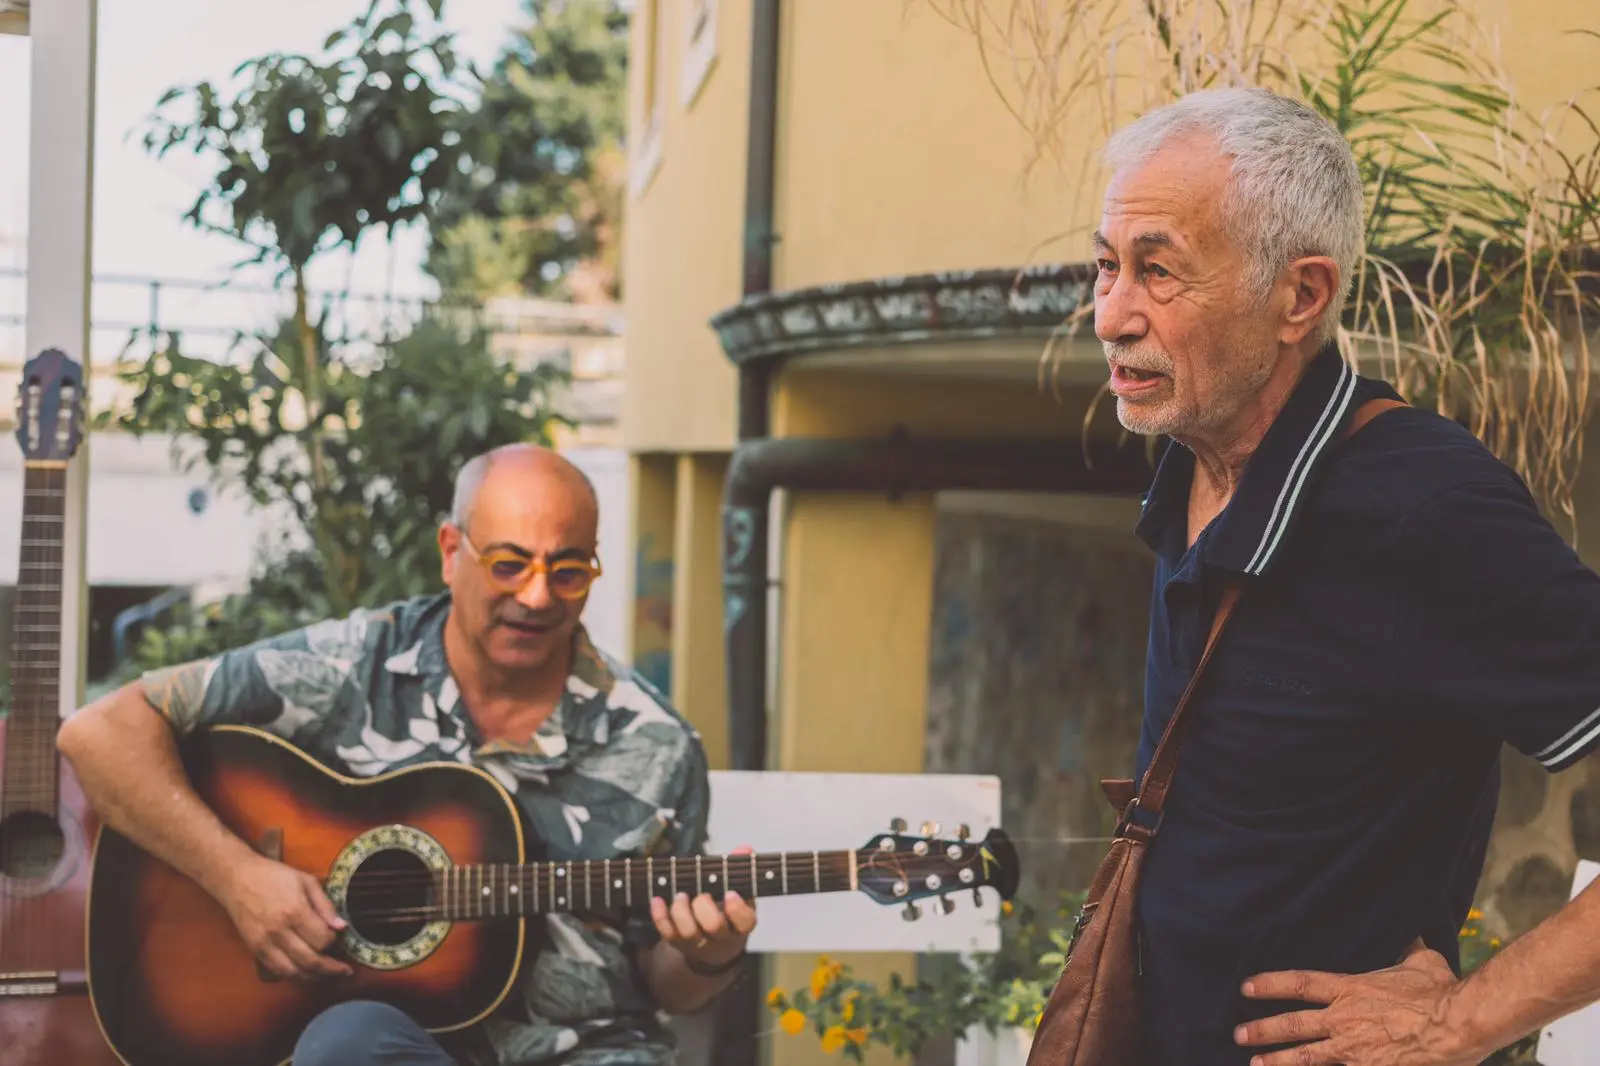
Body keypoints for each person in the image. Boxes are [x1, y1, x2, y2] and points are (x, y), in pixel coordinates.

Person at [1089, 86, 1600, 1066]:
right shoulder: (1191, 448)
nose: (1111, 315)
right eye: (1107, 266)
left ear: (1301, 296)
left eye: (1158, 271)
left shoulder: (1419, 506)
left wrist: (1466, 1016)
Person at [56, 442, 755, 1066]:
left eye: (569, 572)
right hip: (391, 1049)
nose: (538, 597)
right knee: (346, 1043)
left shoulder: (655, 743)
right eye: (510, 565)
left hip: (587, 1051)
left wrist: (705, 955)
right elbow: (99, 733)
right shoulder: (348, 665)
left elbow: (664, 978)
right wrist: (238, 877)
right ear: (452, 552)